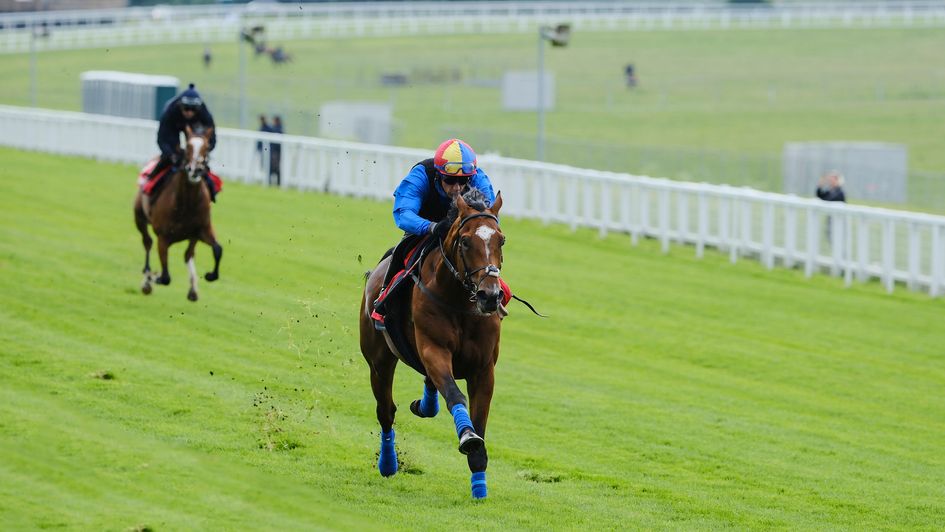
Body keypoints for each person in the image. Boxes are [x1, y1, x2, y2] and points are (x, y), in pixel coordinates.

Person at [371, 138, 499, 328]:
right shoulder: (422, 175)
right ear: (438, 175)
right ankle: (384, 302)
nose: (457, 187)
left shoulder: (477, 177)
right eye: (450, 180)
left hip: (464, 234)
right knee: (400, 252)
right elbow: (403, 214)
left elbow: (490, 219)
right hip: (424, 230)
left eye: (463, 181)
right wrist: (430, 227)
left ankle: (497, 298)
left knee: (485, 260)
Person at [145, 83, 218, 200]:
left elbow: (212, 140)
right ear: (180, 106)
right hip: (173, 131)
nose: (189, 112)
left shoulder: (205, 115)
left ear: (198, 109)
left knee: (201, 165)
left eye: (193, 109)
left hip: (195, 136)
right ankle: (150, 183)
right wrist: (172, 155)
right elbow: (162, 139)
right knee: (168, 159)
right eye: (186, 108)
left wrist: (201, 153)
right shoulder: (170, 111)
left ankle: (212, 191)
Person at [816, 170, 846, 243]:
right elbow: (820, 196)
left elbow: (827, 200)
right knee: (831, 239)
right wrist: (820, 186)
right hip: (831, 219)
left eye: (832, 179)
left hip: (838, 220)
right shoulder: (831, 190)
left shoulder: (839, 192)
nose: (830, 181)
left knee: (837, 240)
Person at [269, 115, 283, 185]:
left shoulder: (278, 129)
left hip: (276, 152)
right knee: (273, 168)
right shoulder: (276, 128)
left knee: (275, 168)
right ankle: (274, 183)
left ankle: (276, 184)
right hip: (275, 152)